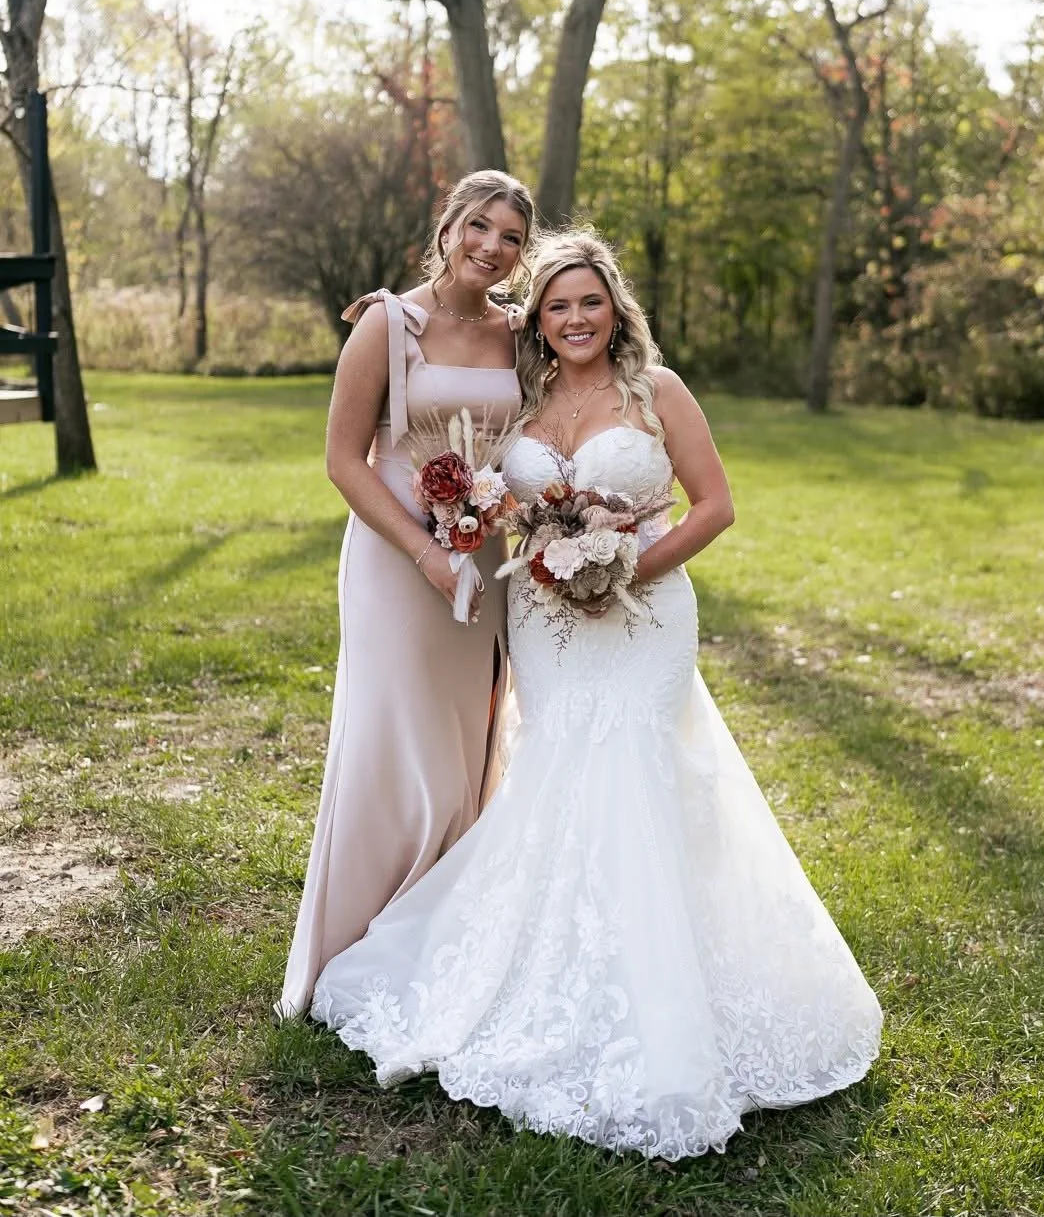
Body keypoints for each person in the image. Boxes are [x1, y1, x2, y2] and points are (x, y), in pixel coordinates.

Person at [310, 229, 883, 1158]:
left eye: (590, 302)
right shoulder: (523, 399)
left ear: (616, 308)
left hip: (644, 618)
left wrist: (626, 568)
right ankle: (542, 973)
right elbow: (488, 493)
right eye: (556, 306)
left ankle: (672, 998)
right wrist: (504, 536)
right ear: (538, 320)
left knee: (639, 774)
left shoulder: (658, 393)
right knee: (559, 779)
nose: (574, 320)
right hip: (544, 621)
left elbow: (715, 505)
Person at [276, 171, 534, 1020]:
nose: (490, 248)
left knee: (464, 746)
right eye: (479, 226)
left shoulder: (519, 333)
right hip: (396, 559)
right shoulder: (389, 321)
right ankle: (350, 944)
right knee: (393, 739)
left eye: (510, 238)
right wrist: (425, 549)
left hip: (482, 560)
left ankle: (437, 941)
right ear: (449, 225)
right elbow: (344, 459)